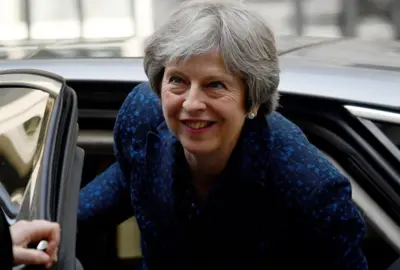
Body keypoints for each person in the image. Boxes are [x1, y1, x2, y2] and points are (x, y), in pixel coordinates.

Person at [78, 0, 368, 269]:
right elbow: (128, 178)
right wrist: (52, 229)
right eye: (177, 80)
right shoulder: (142, 118)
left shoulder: (309, 187)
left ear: (253, 99)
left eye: (215, 84)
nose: (191, 104)